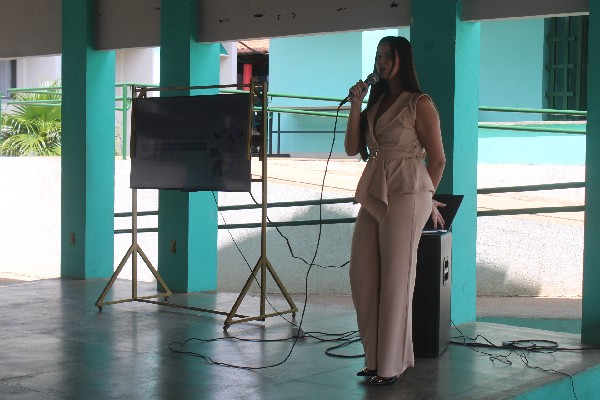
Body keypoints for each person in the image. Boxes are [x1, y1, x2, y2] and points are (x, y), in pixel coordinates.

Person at [344, 36, 446, 386]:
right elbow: (352, 148)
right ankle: (374, 359)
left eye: (388, 55)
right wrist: (356, 104)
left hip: (407, 192)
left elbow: (438, 159)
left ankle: (390, 365)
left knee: (396, 281)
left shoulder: (419, 103)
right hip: (375, 190)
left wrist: (426, 196)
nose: (381, 61)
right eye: (378, 56)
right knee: (362, 274)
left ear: (403, 58)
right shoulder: (376, 102)